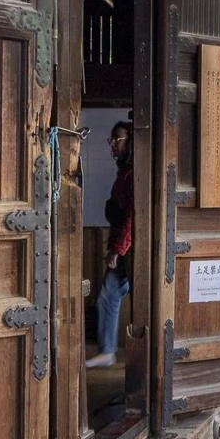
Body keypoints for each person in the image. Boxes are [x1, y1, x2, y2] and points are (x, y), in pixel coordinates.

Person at [88, 121, 134, 370]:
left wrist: (118, 249)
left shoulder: (135, 173)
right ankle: (107, 351)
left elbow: (131, 217)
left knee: (140, 302)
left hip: (134, 247)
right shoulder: (124, 172)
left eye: (118, 139)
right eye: (112, 140)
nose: (114, 145)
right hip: (123, 243)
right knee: (108, 295)